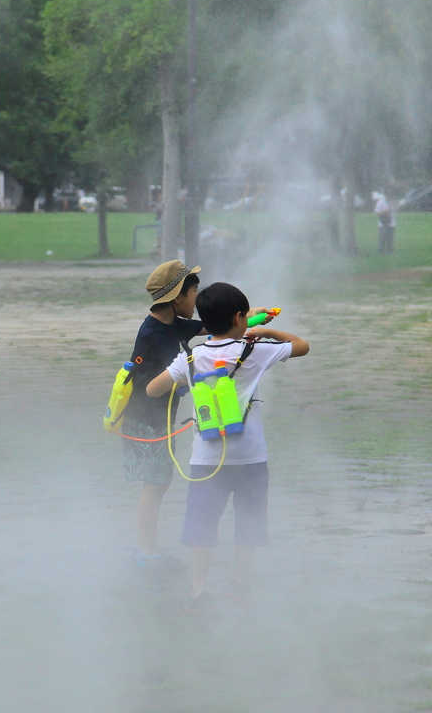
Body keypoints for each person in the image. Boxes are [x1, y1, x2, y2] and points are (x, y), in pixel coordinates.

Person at [146, 282, 309, 613]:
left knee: (202, 525)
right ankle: (239, 585)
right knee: (248, 522)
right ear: (239, 317)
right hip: (251, 457)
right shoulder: (255, 350)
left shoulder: (190, 357)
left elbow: (152, 390)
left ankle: (198, 590)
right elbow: (302, 346)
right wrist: (266, 330)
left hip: (205, 460)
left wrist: (184, 377)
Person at [122, 260, 205, 576]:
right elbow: (148, 388)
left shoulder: (172, 323)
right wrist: (184, 379)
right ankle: (146, 552)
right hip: (146, 422)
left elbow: (212, 327)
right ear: (176, 298)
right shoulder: (152, 335)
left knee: (158, 482)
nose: (196, 299)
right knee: (155, 485)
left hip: (157, 421)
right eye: (194, 292)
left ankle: (145, 548)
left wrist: (248, 317)